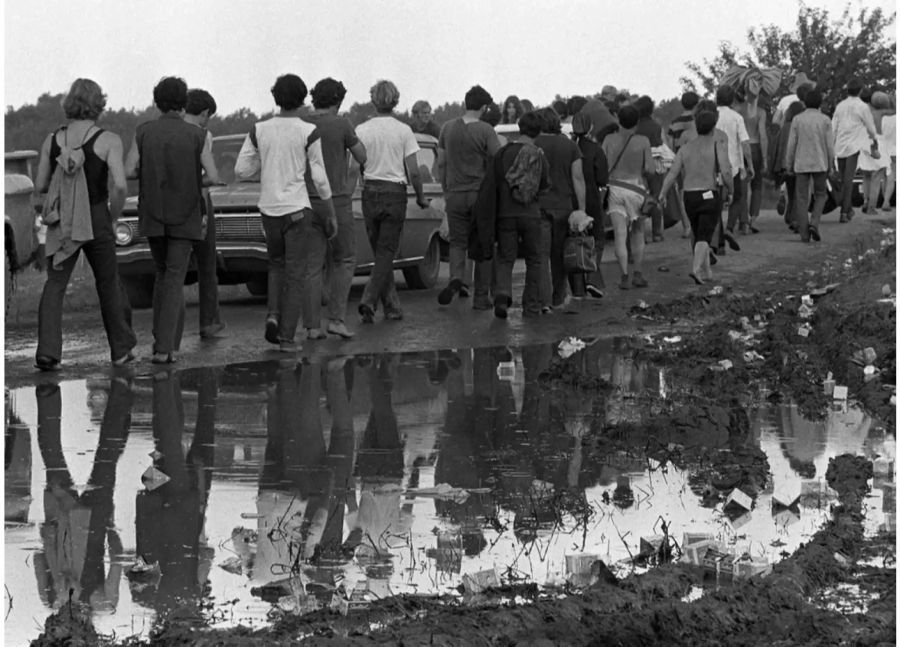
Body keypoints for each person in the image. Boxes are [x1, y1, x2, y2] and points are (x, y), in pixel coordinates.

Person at [33, 78, 137, 371]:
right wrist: (112, 216)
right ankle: (120, 350)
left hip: (62, 220)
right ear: (98, 104)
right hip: (95, 215)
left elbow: (40, 184)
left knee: (55, 285)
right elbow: (118, 186)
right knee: (108, 282)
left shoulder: (51, 140)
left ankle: (48, 352)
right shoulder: (108, 140)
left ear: (70, 102)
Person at [234, 73, 336, 352]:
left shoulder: (259, 129)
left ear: (275, 97)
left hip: (269, 210)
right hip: (297, 209)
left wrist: (265, 168)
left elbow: (241, 170)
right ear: (302, 99)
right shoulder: (308, 131)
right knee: (296, 272)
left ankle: (272, 315)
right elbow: (320, 177)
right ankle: (287, 337)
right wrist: (329, 212)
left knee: (276, 265)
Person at [125, 76, 223, 364]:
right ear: (183, 103)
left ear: (157, 101)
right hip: (185, 215)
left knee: (161, 273)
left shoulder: (143, 131)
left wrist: (152, 174)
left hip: (153, 213)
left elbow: (130, 171)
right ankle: (165, 347)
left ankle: (162, 340)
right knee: (174, 277)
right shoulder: (196, 134)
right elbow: (213, 176)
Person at [355, 79, 429, 324]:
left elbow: (354, 166)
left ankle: (392, 307)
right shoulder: (403, 131)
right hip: (394, 193)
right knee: (387, 252)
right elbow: (414, 171)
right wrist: (419, 196)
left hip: (370, 191)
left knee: (380, 253)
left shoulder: (361, 130)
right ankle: (369, 298)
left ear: (373, 99)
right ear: (395, 100)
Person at [303, 77, 367, 340]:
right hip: (338, 199)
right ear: (338, 101)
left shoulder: (302, 124)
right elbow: (362, 155)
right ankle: (337, 319)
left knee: (312, 265)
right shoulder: (342, 124)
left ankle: (311, 325)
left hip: (306, 200)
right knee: (344, 258)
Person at [474, 111, 550, 319]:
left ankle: (502, 296)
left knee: (506, 258)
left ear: (519, 127)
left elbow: (493, 184)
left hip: (506, 214)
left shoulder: (502, 153)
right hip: (531, 214)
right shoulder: (538, 154)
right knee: (534, 260)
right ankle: (531, 305)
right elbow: (544, 185)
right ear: (539, 131)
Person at [435, 85, 501, 309]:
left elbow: (441, 163)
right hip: (478, 194)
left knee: (457, 242)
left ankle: (456, 278)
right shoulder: (485, 130)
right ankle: (481, 298)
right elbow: (497, 160)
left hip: (454, 193)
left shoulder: (447, 128)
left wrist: (446, 189)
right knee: (483, 244)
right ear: (483, 107)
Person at [659, 110, 733, 285]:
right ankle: (696, 269)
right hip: (709, 194)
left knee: (699, 232)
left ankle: (707, 272)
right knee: (704, 236)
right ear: (713, 127)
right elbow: (726, 171)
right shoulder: (717, 146)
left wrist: (662, 193)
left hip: (690, 196)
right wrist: (731, 190)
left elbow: (672, 173)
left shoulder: (685, 148)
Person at [534, 107, 586, 309]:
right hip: (564, 207)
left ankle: (543, 301)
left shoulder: (534, 145)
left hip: (540, 206)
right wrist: (581, 209)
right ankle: (558, 297)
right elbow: (578, 178)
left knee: (541, 255)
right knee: (559, 256)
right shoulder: (570, 146)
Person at [183, 88, 224, 339]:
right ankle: (209, 321)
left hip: (171, 201)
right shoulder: (203, 135)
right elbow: (207, 175)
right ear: (205, 113)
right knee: (207, 263)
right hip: (198, 198)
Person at [601, 104, 654, 289]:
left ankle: (623, 276)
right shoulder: (643, 141)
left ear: (618, 119)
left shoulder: (609, 139)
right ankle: (637, 274)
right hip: (636, 188)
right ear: (637, 122)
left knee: (619, 234)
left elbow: (604, 166)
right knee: (638, 233)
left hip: (614, 187)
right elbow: (649, 169)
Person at [784, 88, 836, 243]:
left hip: (801, 163)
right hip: (820, 162)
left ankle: (804, 233)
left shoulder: (797, 119)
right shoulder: (825, 120)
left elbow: (791, 144)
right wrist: (831, 164)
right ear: (820, 103)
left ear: (805, 103)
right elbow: (830, 146)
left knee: (801, 197)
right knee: (821, 194)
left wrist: (789, 164)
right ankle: (814, 222)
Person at [571, 112, 608, 298]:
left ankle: (578, 288)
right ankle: (592, 278)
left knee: (573, 241)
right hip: (592, 198)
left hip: (569, 199)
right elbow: (602, 179)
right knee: (597, 239)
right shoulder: (596, 150)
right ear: (590, 127)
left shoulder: (569, 147)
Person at [832, 78, 879, 222]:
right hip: (853, 146)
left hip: (839, 146)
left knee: (842, 179)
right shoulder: (862, 107)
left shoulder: (840, 106)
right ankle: (845, 212)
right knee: (848, 179)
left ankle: (846, 208)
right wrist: (874, 139)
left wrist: (831, 144)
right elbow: (870, 127)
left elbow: (834, 126)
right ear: (860, 91)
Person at [716, 85, 753, 242]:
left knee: (716, 199)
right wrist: (749, 164)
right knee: (737, 196)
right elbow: (744, 143)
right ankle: (730, 227)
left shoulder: (711, 115)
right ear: (731, 99)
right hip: (734, 165)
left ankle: (717, 231)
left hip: (715, 163)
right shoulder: (736, 117)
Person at [735, 85, 769, 233]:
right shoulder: (761, 112)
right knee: (757, 185)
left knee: (741, 186)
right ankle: (752, 218)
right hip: (755, 147)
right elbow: (762, 135)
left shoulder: (737, 110)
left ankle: (742, 220)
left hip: (740, 147)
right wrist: (765, 158)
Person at [771, 101, 807, 233]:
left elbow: (779, 146)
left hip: (784, 165)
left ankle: (789, 215)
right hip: (796, 163)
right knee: (800, 192)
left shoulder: (784, 127)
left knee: (791, 192)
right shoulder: (799, 126)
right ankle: (796, 219)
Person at [667, 91, 700, 238]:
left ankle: (687, 226)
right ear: (697, 104)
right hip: (699, 157)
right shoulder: (699, 120)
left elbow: (670, 143)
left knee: (683, 192)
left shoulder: (675, 122)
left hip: (681, 159)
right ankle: (699, 222)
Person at [633, 95, 665, 242]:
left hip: (638, 165)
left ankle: (642, 233)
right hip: (655, 164)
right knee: (656, 196)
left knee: (640, 197)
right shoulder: (656, 126)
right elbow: (659, 145)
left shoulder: (635, 127)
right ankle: (657, 232)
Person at [858, 89, 891, 214]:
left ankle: (865, 201)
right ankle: (872, 207)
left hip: (863, 142)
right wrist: (886, 98)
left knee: (865, 176)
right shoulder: (879, 112)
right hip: (877, 142)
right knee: (876, 176)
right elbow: (895, 108)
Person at [881, 94, 896, 211]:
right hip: (895, 151)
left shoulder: (882, 119)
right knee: (892, 176)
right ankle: (886, 202)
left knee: (884, 177)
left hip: (884, 150)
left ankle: (883, 200)